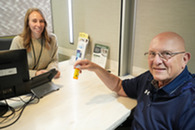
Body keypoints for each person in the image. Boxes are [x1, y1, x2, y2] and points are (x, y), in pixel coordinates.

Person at [74, 32, 195, 129]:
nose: (156, 61)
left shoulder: (190, 102)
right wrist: (96, 68)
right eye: (152, 53)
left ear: (184, 59)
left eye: (166, 54)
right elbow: (119, 86)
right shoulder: (150, 78)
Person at [10, 8, 60, 78]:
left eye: (41, 21)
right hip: (26, 80)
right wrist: (35, 74)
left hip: (46, 79)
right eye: (34, 21)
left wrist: (51, 71)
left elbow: (54, 60)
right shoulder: (18, 41)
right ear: (28, 23)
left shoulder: (52, 39)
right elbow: (14, 68)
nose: (38, 25)